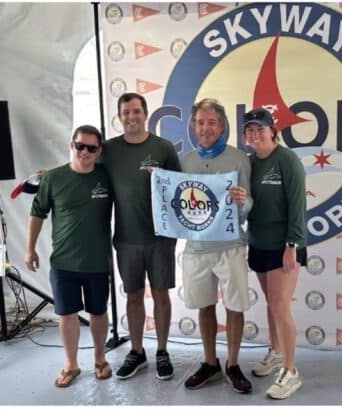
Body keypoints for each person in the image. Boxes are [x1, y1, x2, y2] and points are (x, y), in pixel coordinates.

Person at [25, 125, 114, 387]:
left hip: (97, 262)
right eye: (80, 146)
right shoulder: (53, 178)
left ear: (99, 151)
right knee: (67, 314)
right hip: (63, 263)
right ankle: (71, 364)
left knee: (98, 313)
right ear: (71, 145)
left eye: (91, 148)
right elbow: (37, 213)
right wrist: (29, 248)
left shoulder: (107, 177)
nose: (85, 152)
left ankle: (100, 359)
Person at [101, 93, 182, 379]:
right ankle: (137, 352)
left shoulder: (163, 148)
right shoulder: (108, 149)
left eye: (136, 111)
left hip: (160, 238)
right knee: (133, 295)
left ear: (145, 114)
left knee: (161, 294)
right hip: (126, 239)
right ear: (120, 116)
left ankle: (162, 351)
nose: (131, 117)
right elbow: (82, 170)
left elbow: (180, 190)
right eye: (126, 112)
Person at [177, 99, 253, 393]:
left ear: (221, 126)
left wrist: (243, 201)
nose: (205, 128)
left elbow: (250, 204)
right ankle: (210, 363)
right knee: (205, 306)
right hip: (196, 248)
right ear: (194, 127)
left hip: (231, 247)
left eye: (211, 122)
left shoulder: (238, 158)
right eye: (200, 122)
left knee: (235, 306)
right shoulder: (186, 161)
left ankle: (232, 365)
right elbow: (178, 204)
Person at [240, 107, 307, 399]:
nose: (255, 134)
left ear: (273, 131)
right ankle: (277, 352)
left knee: (281, 306)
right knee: (270, 304)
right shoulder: (249, 163)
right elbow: (248, 203)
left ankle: (291, 372)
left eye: (260, 129)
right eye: (250, 130)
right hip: (258, 242)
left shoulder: (287, 160)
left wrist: (292, 245)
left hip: (284, 246)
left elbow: (298, 206)